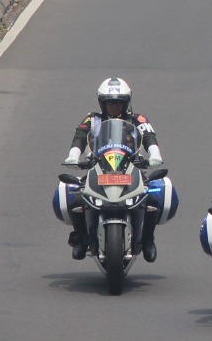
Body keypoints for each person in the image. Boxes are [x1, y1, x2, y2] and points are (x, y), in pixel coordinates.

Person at [64, 77, 164, 261]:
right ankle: (82, 239)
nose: (114, 107)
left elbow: (149, 136)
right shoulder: (92, 119)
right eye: (110, 103)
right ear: (102, 103)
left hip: (130, 169)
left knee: (156, 194)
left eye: (119, 103)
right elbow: (80, 135)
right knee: (72, 197)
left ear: (126, 103)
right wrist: (73, 155)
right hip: (97, 168)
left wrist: (155, 154)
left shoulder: (137, 119)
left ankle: (148, 239)